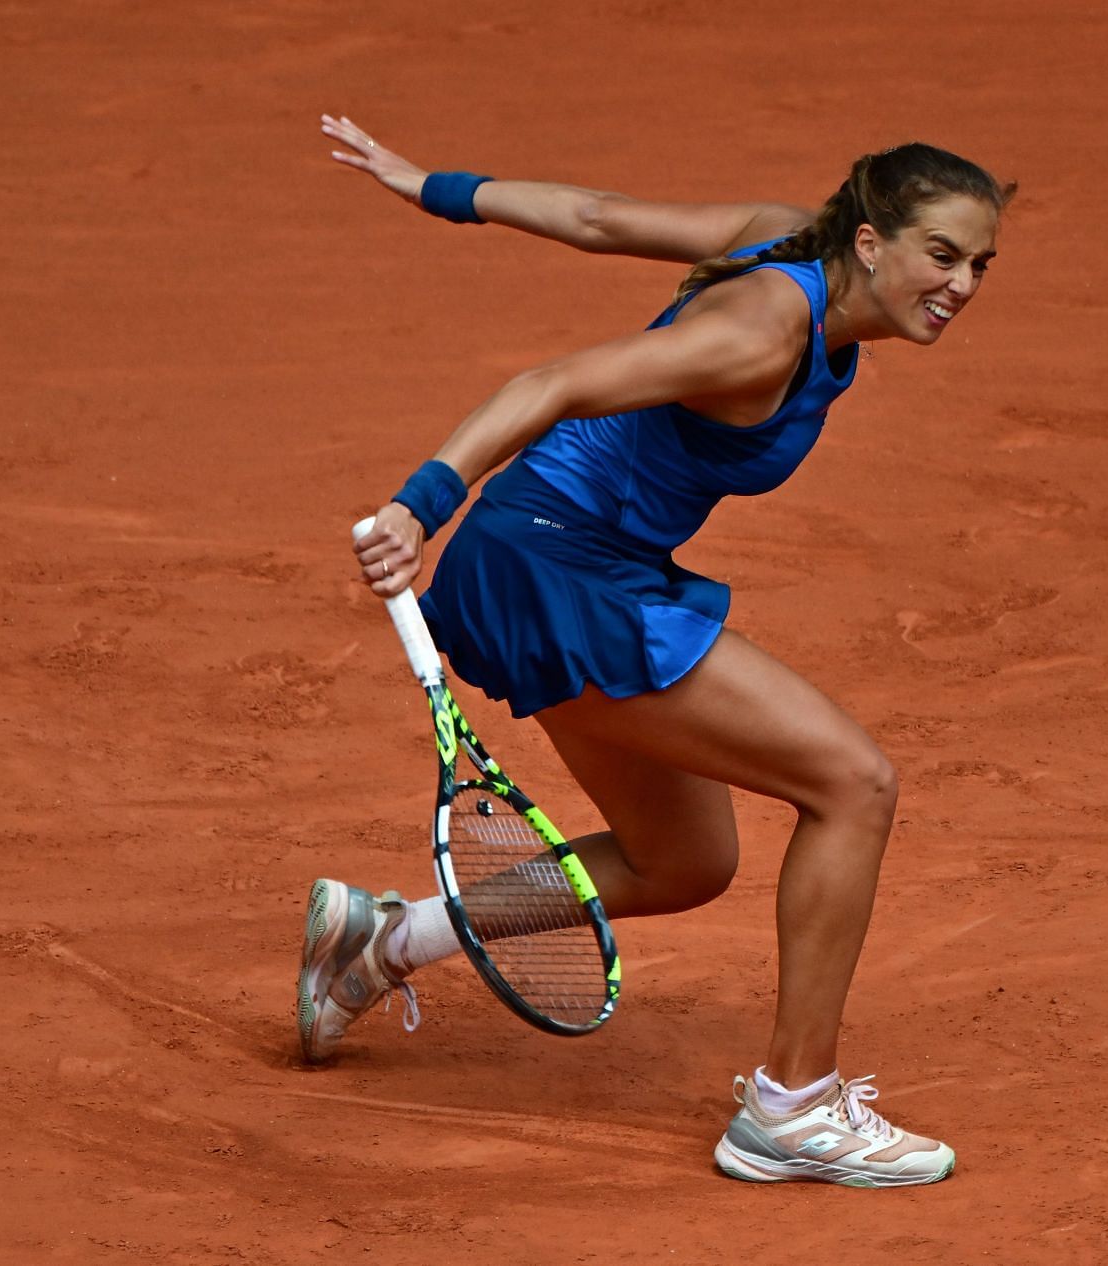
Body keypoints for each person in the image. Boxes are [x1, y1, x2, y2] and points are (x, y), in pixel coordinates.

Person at [297, 115, 1011, 1187]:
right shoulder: (766, 332)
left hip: (571, 560)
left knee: (681, 863)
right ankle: (793, 1106)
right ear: (871, 244)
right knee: (854, 784)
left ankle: (384, 943)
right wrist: (419, 504)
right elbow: (557, 383)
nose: (959, 286)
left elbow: (596, 217)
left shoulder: (789, 235)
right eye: (941, 256)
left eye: (979, 265)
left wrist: (435, 185)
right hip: (556, 570)